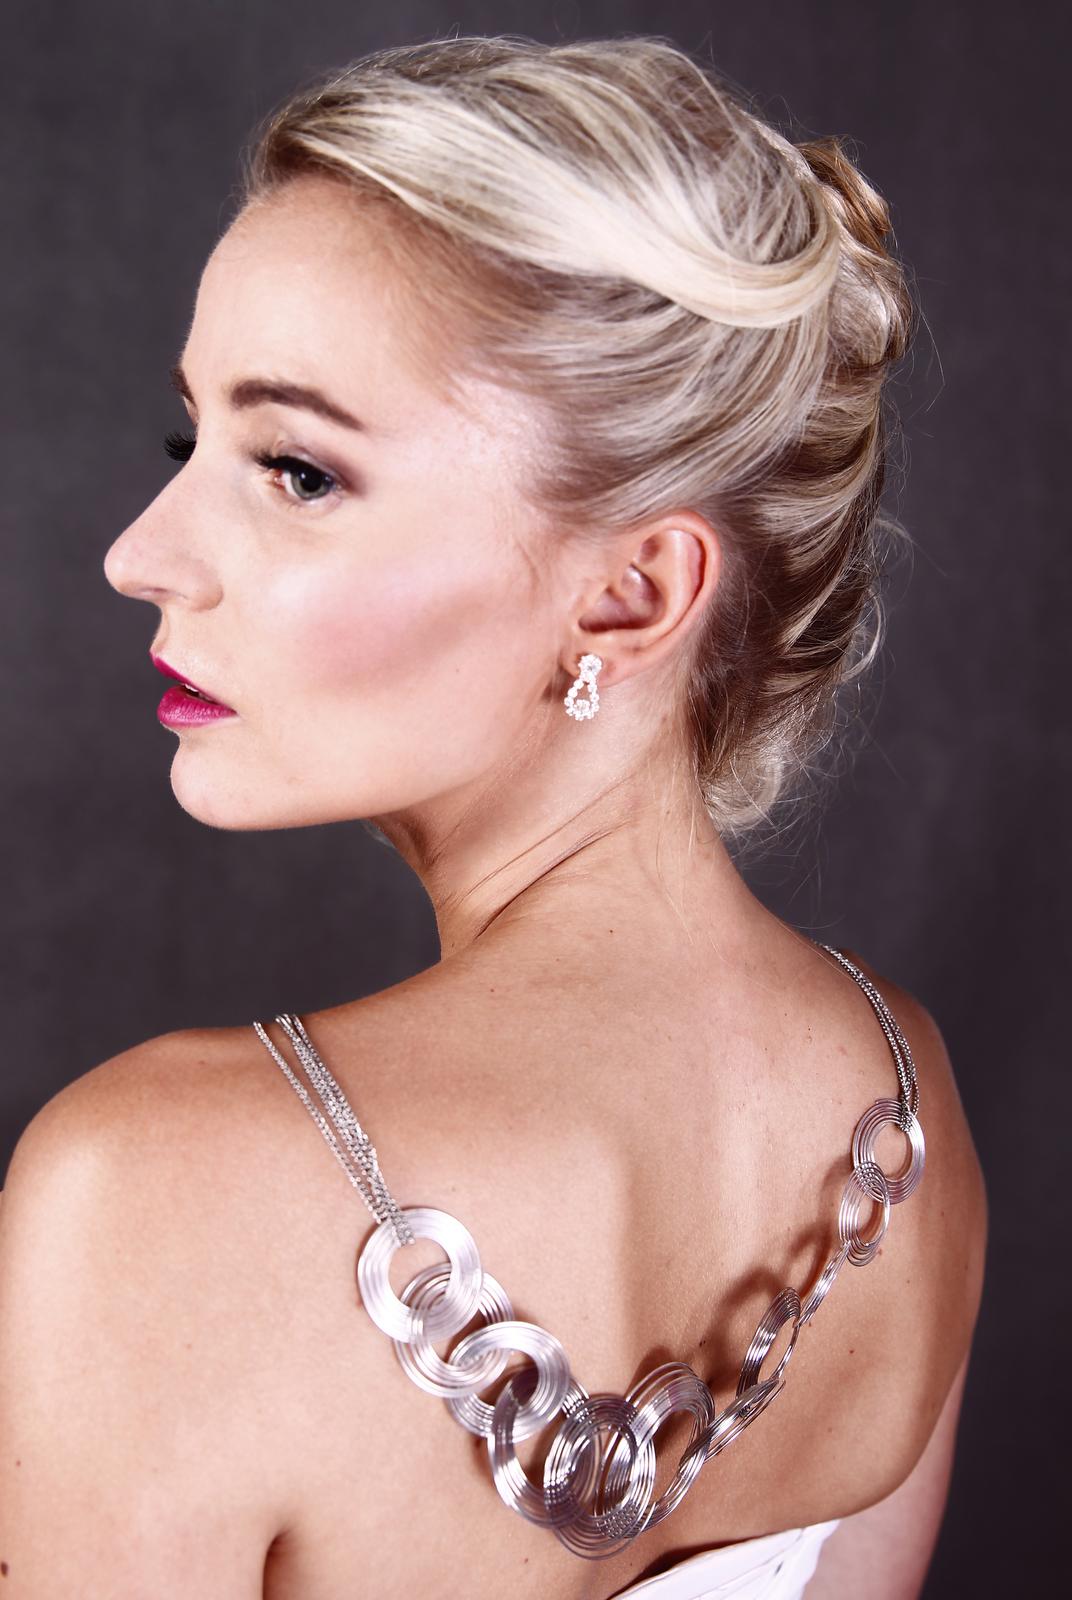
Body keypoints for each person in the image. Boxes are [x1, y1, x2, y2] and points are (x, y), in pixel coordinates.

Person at [0, 33, 987, 1600]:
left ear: (631, 594)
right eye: (194, 442)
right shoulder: (893, 1112)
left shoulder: (157, 1194)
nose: (141, 554)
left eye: (298, 471)